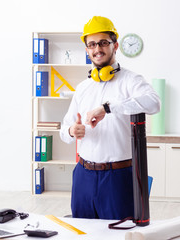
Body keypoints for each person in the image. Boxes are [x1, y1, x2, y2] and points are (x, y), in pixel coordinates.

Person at [60, 16, 160, 220]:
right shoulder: (83, 87)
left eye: (103, 42)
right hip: (83, 175)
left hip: (118, 177)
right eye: (92, 44)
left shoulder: (131, 80)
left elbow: (153, 103)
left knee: (119, 234)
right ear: (87, 50)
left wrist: (109, 108)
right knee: (82, 232)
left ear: (115, 45)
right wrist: (71, 131)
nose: (98, 49)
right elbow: (65, 129)